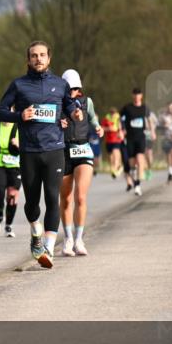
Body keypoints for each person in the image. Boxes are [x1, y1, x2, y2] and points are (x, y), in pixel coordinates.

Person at [0, 41, 82, 268]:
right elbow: (0, 112)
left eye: (42, 55)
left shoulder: (60, 84)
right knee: (32, 202)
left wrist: (74, 113)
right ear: (28, 60)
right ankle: (36, 232)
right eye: (34, 55)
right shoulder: (19, 85)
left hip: (54, 149)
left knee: (53, 198)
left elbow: (68, 105)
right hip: (29, 151)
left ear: (49, 58)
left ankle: (48, 249)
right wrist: (19, 116)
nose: (38, 59)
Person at [59, 70, 103, 257]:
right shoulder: (57, 102)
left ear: (79, 88)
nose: (72, 93)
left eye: (75, 89)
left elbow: (92, 117)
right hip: (63, 151)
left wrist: (98, 127)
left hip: (83, 149)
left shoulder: (87, 102)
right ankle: (68, 238)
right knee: (66, 198)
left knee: (81, 197)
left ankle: (79, 239)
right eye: (69, 89)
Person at [120, 88, 152, 197]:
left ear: (141, 96)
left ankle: (137, 185)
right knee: (132, 163)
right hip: (130, 138)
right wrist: (121, 130)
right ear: (132, 95)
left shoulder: (145, 108)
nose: (136, 96)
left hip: (141, 137)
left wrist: (152, 131)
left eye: (138, 94)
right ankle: (134, 175)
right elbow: (120, 119)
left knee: (140, 158)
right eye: (135, 94)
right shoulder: (127, 108)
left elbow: (150, 119)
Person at [101, 106, 124, 179]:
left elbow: (122, 128)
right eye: (111, 113)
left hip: (117, 139)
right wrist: (109, 129)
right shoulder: (106, 119)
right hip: (108, 140)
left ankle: (115, 170)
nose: (113, 115)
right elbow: (102, 128)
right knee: (111, 157)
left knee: (115, 154)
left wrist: (121, 132)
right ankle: (115, 168)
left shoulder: (119, 118)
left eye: (114, 113)